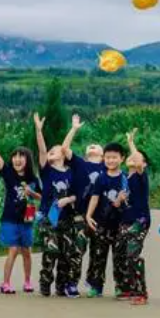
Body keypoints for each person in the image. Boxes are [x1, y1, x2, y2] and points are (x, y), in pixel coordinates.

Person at [0, 127, 40, 295]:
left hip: (27, 220)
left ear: (27, 160)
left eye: (21, 157)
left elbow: (41, 197)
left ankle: (28, 282)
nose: (17, 160)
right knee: (13, 250)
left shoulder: (33, 179)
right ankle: (5, 283)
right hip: (9, 219)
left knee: (27, 252)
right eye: (14, 157)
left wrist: (32, 193)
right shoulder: (8, 174)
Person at [34, 113, 80, 298]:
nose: (51, 152)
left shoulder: (71, 172)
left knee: (65, 253)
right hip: (48, 217)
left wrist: (67, 200)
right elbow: (42, 150)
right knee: (51, 250)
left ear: (63, 154)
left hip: (67, 218)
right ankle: (45, 282)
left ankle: (61, 285)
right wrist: (39, 130)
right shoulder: (47, 171)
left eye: (55, 150)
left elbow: (78, 194)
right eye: (50, 151)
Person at [60, 115, 104, 296]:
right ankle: (71, 283)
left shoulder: (107, 168)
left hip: (100, 217)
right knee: (77, 250)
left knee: (98, 252)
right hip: (79, 214)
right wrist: (74, 129)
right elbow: (64, 149)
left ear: (103, 155)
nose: (93, 145)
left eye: (97, 145)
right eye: (90, 145)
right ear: (86, 153)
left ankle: (94, 282)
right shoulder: (79, 164)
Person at [85, 141, 128, 298]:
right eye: (108, 158)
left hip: (120, 224)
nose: (111, 160)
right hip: (101, 222)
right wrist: (88, 215)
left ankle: (121, 287)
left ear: (122, 158)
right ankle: (96, 286)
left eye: (114, 157)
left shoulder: (125, 179)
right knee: (98, 256)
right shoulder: (101, 178)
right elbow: (95, 198)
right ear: (104, 159)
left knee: (120, 257)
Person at [119, 129, 151, 305]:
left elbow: (137, 160)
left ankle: (141, 292)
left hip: (140, 221)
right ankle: (130, 288)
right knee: (125, 255)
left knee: (132, 254)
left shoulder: (141, 177)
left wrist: (131, 142)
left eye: (138, 158)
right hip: (126, 220)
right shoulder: (125, 178)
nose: (133, 158)